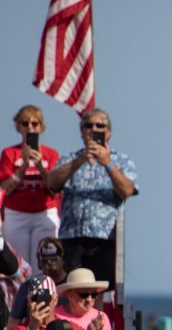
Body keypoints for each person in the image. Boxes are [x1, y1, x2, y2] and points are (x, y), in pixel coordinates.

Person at [47, 108, 138, 284]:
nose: (94, 129)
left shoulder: (121, 161)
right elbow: (52, 183)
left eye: (100, 125)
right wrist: (81, 159)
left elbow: (126, 191)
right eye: (89, 125)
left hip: (103, 239)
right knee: (71, 286)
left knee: (98, 289)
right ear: (82, 131)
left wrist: (108, 164)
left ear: (108, 132)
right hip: (71, 238)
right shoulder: (70, 159)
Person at [0, 106, 61, 270]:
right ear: (19, 127)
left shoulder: (51, 154)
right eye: (25, 123)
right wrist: (23, 166)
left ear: (41, 126)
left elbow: (54, 187)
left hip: (44, 213)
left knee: (42, 264)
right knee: (17, 264)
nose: (30, 128)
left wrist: (40, 165)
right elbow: (6, 188)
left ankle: (40, 295)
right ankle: (19, 296)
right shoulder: (9, 153)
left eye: (35, 123)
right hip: (16, 214)